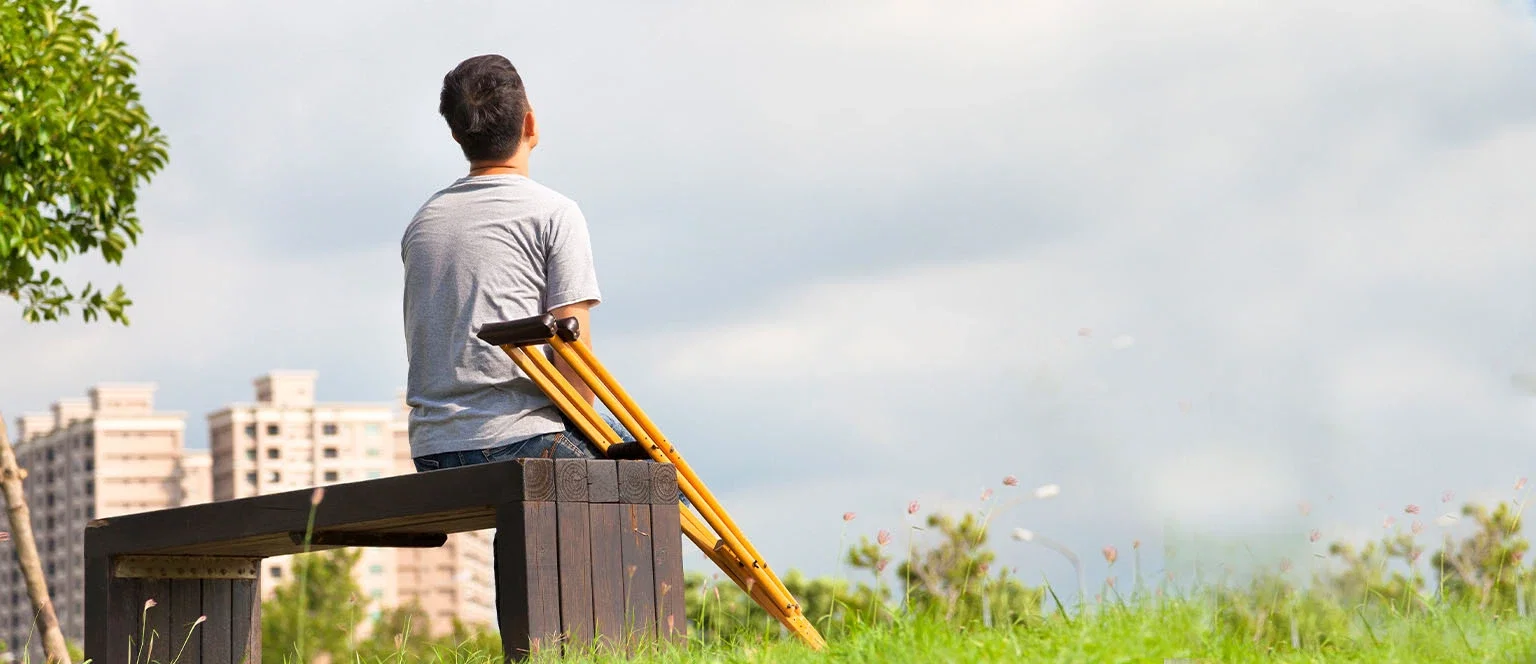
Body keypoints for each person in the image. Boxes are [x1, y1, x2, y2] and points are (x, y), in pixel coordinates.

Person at [401, 54, 630, 473]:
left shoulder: (423, 221)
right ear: (530, 124)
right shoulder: (554, 213)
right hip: (520, 437)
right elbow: (576, 358)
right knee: (650, 471)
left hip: (433, 449)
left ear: (455, 135)